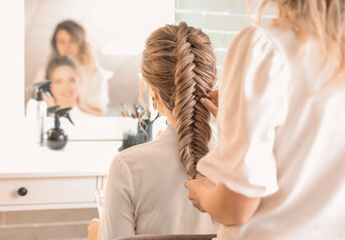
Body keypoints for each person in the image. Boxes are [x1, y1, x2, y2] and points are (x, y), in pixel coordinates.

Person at [185, 0, 345, 239]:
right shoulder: (334, 57)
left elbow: (236, 208)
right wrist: (239, 120)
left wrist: (204, 192)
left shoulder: (267, 47)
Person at [87, 22, 220, 240]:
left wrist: (97, 236)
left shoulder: (126, 167)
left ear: (153, 93)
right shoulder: (243, 161)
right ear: (209, 84)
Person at [34, 20, 113, 116]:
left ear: (81, 43)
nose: (67, 46)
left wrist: (77, 108)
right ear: (55, 44)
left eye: (72, 41)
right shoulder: (43, 73)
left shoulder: (95, 73)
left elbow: (99, 112)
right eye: (62, 41)